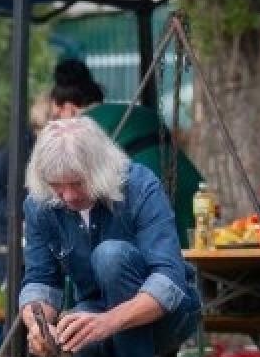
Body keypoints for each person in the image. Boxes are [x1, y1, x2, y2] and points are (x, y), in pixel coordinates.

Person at [18, 117, 199, 357]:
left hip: (169, 316)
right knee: (73, 340)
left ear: (99, 169)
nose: (68, 196)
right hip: (95, 312)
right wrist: (38, 326)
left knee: (111, 256)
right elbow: (40, 280)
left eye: (77, 184)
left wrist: (108, 322)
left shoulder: (139, 184)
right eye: (57, 186)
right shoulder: (39, 204)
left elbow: (169, 281)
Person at [48, 58, 203, 245]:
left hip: (147, 197)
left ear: (69, 108)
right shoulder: (141, 112)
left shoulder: (80, 128)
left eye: (57, 116)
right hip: (194, 190)